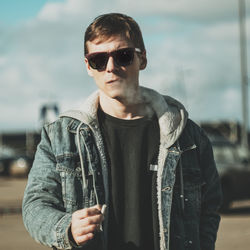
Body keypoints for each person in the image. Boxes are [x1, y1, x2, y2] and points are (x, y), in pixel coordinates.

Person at [22, 13, 222, 250]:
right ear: (88, 66)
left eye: (123, 56)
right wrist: (67, 227)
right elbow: (35, 205)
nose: (111, 68)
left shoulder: (189, 137)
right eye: (98, 59)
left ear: (142, 59)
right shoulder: (61, 137)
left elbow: (209, 208)